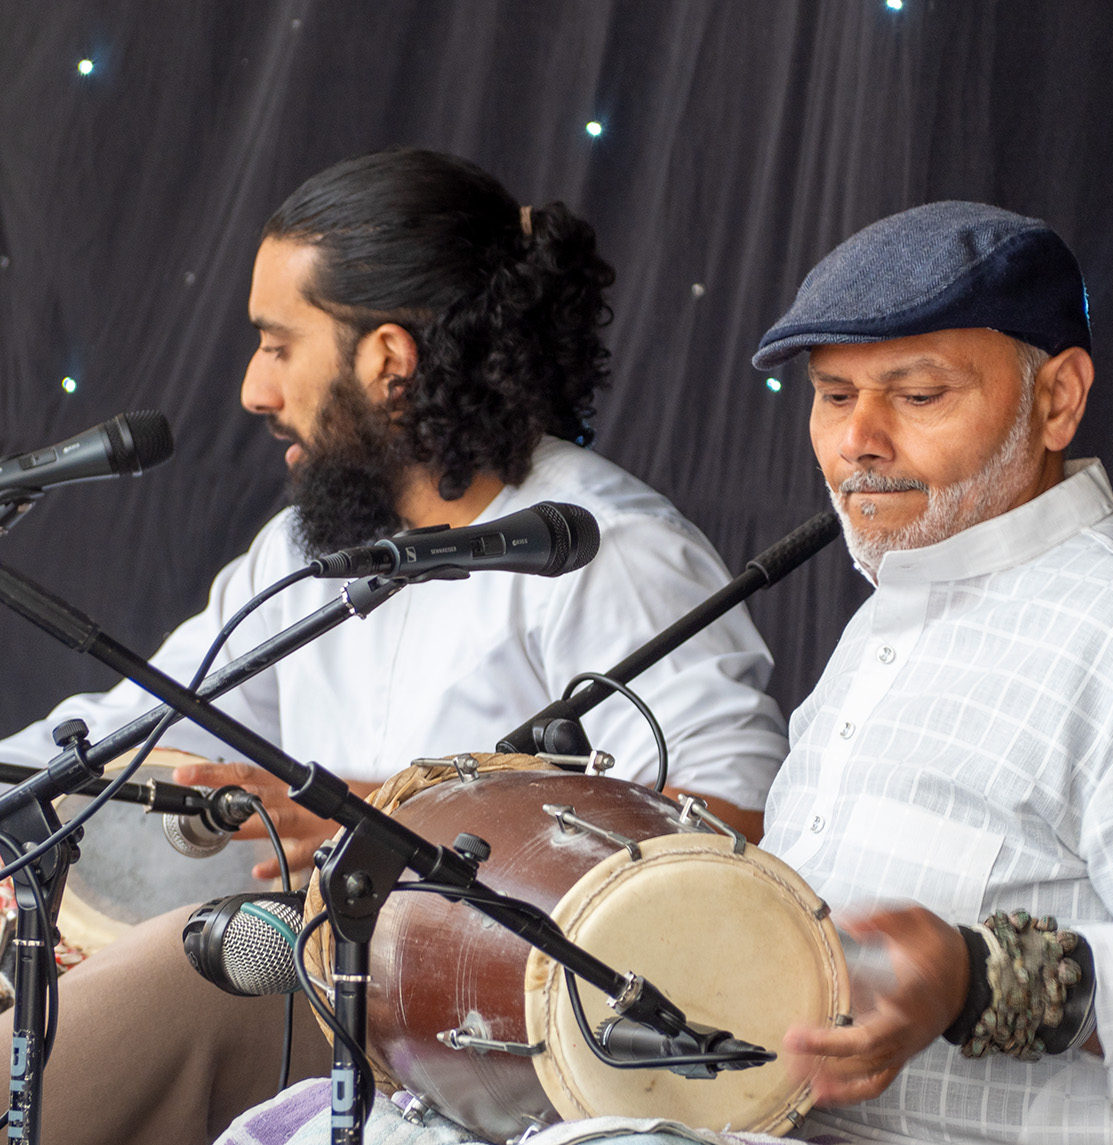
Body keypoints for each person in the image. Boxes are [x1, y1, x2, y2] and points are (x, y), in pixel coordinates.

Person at [222, 201, 1113, 1145]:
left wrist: (984, 981)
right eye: (834, 397)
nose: (860, 438)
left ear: (1057, 397)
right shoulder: (897, 616)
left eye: (918, 394)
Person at [0, 148, 788, 1145]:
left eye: (278, 343)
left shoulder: (609, 549)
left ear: (387, 357)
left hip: (493, 1042)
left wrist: (390, 819)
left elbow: (736, 832)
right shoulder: (304, 553)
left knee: (154, 987)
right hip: (332, 984)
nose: (251, 387)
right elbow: (131, 722)